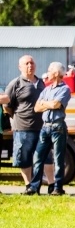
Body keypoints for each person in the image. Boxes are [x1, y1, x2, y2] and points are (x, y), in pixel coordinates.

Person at [4, 55, 54, 189]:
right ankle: (29, 186)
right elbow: (7, 105)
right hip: (23, 128)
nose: (30, 65)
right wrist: (14, 118)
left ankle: (51, 185)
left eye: (32, 63)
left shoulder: (41, 83)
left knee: (46, 157)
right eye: (26, 63)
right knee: (24, 158)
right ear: (20, 67)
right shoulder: (15, 83)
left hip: (43, 127)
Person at [27, 62, 72, 196]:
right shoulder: (47, 89)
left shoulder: (65, 89)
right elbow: (36, 108)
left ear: (57, 73)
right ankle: (34, 187)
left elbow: (57, 104)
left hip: (58, 126)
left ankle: (57, 188)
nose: (47, 73)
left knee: (58, 159)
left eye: (49, 70)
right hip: (45, 126)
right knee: (38, 157)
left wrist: (45, 104)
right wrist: (49, 104)